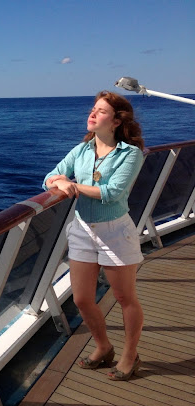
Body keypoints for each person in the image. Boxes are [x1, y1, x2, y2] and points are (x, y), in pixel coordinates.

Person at [43, 90, 145, 381]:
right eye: (93, 109)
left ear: (116, 121)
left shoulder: (130, 154)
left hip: (115, 232)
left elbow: (112, 192)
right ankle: (104, 346)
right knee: (82, 299)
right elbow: (49, 177)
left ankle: (130, 355)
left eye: (101, 111)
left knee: (125, 297)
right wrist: (58, 180)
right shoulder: (82, 150)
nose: (92, 113)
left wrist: (73, 186)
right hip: (82, 230)